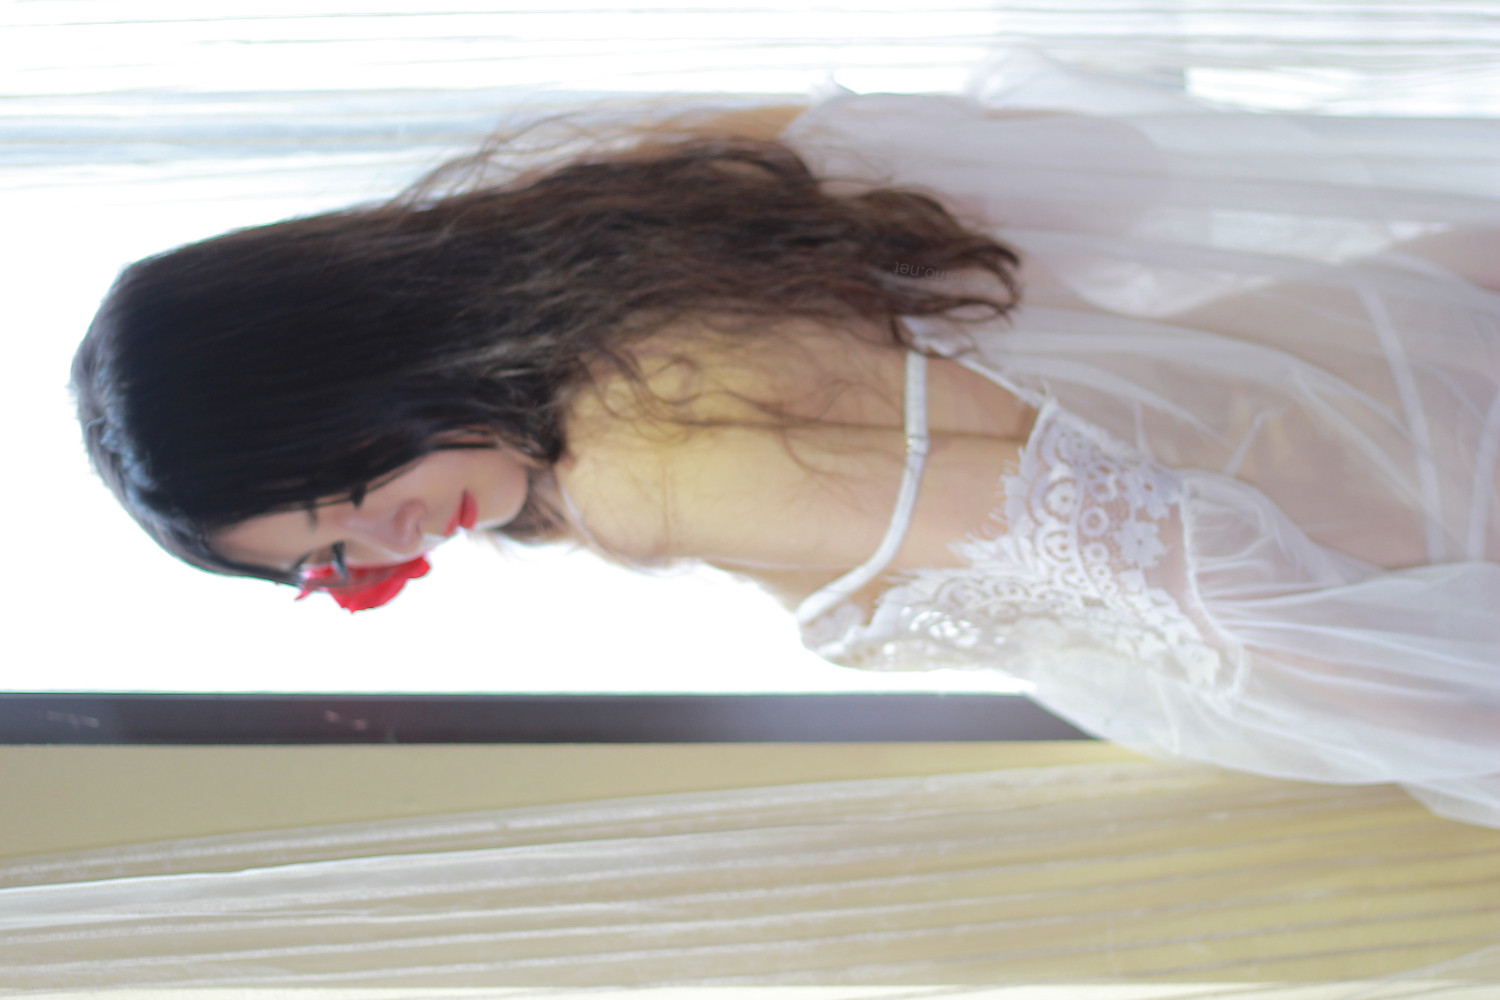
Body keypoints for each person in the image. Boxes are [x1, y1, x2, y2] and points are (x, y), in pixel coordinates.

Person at [71, 57, 1500, 827]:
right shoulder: (634, 216)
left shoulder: (640, 474)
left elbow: (1173, 557)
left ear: (335, 376)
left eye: (346, 493)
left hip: (1422, 529)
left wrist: (1460, 718)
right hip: (1401, 327)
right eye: (338, 560)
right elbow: (1115, 171)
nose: (396, 543)